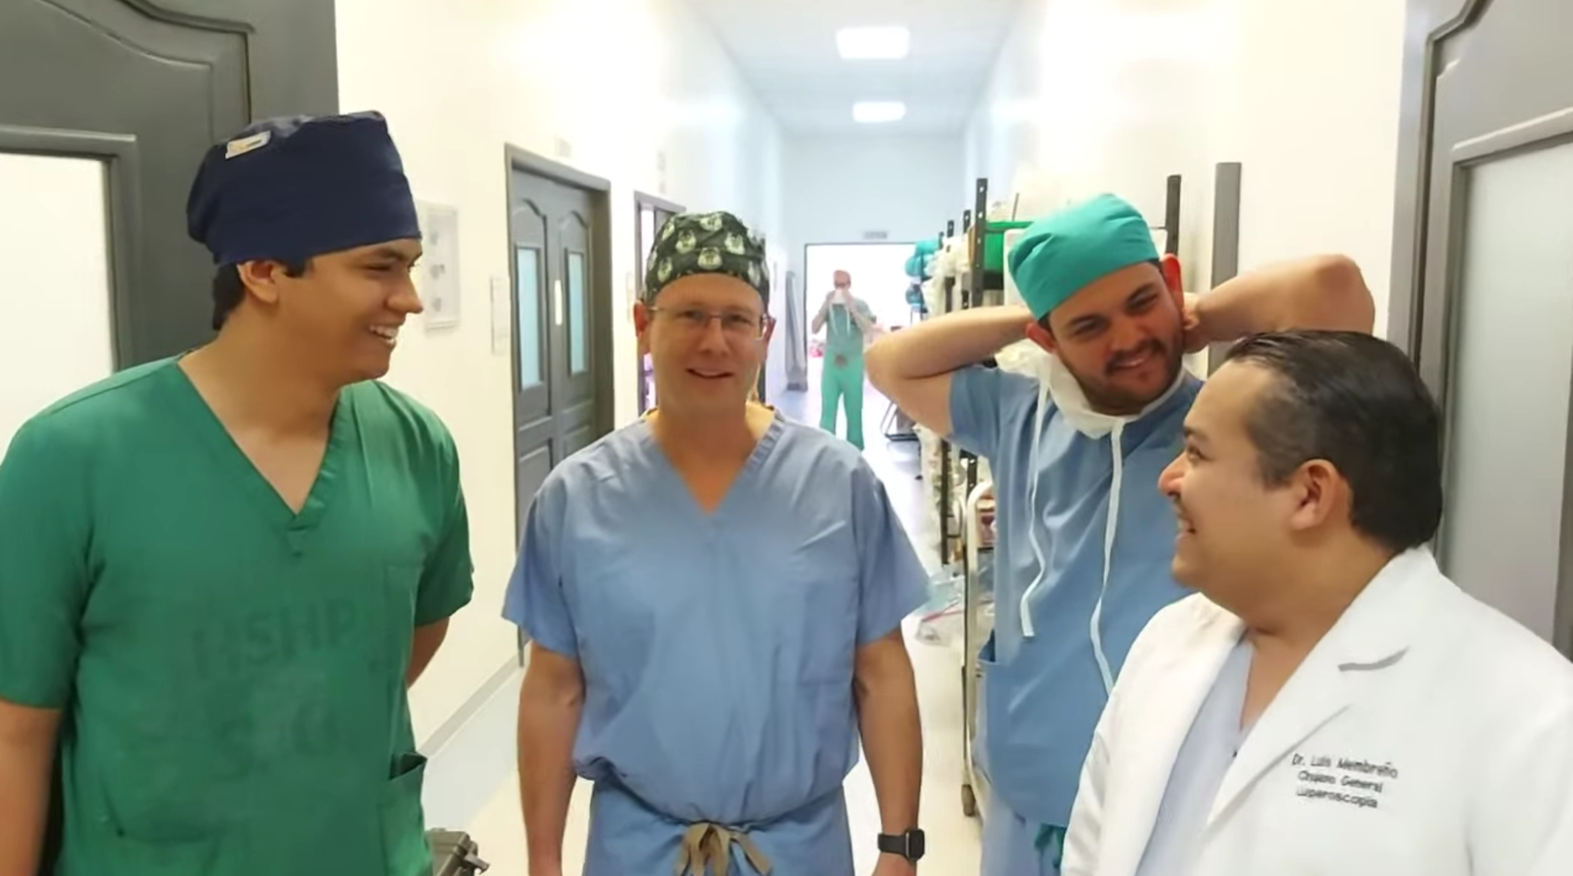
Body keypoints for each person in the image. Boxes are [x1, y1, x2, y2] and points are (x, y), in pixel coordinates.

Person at [0, 111, 473, 876]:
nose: (409, 299)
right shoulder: (71, 456)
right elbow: (16, 726)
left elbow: (416, 632)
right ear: (262, 271)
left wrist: (290, 734)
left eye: (411, 266)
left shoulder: (416, 445)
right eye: (379, 267)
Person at [865, 193, 1375, 876]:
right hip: (1036, 780)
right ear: (1047, 342)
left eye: (1140, 301)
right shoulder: (1017, 416)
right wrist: (1029, 315)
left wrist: (1189, 316)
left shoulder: (1229, 420)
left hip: (1179, 782)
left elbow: (1329, 288)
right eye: (1088, 325)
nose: (1128, 338)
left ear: (1170, 281)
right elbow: (890, 362)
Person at [506, 210, 929, 876]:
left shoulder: (836, 485)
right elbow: (554, 689)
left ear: (764, 334)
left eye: (736, 320)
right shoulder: (577, 498)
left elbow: (880, 673)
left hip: (799, 847)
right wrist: (541, 861)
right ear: (642, 324)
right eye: (689, 316)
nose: (714, 342)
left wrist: (899, 845)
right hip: (638, 849)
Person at [1062, 330, 1573, 876]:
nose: (1169, 480)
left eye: (1197, 453)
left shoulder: (1535, 718)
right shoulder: (1169, 642)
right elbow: (1090, 853)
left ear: (1309, 494)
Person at [813, 269, 880, 449]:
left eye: (843, 285)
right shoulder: (830, 306)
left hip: (853, 363)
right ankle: (825, 447)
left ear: (850, 285)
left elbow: (869, 330)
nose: (839, 289)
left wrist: (853, 310)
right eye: (836, 285)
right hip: (832, 363)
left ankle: (855, 447)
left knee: (854, 410)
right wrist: (824, 307)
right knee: (828, 409)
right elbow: (814, 328)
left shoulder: (860, 304)